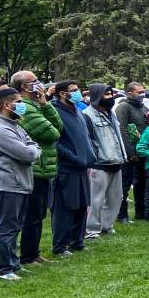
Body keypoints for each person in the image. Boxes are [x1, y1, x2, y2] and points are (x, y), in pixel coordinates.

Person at [0, 87, 41, 280]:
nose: (22, 106)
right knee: (7, 227)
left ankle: (13, 263)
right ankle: (2, 268)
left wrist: (32, 150)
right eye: (18, 102)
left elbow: (32, 145)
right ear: (6, 105)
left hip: (20, 182)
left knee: (16, 225)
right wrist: (33, 151)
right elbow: (27, 153)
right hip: (9, 183)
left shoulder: (14, 125)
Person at [11, 71, 61, 266]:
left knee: (39, 213)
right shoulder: (26, 109)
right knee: (32, 215)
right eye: (35, 81)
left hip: (44, 166)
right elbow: (53, 133)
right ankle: (27, 256)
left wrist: (45, 104)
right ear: (24, 87)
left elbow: (58, 126)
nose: (39, 84)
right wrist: (43, 109)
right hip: (35, 168)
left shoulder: (36, 105)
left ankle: (34, 252)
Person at [51, 81, 93, 257]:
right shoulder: (55, 112)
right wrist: (73, 157)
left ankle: (77, 241)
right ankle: (60, 245)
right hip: (66, 167)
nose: (77, 93)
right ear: (62, 94)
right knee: (65, 207)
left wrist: (91, 155)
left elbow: (86, 137)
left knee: (82, 206)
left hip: (83, 166)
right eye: (73, 91)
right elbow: (55, 141)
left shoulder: (78, 111)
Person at [83, 83, 128, 238]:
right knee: (96, 200)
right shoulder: (87, 114)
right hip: (100, 163)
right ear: (97, 97)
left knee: (116, 198)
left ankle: (107, 226)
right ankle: (91, 229)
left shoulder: (111, 113)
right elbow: (87, 140)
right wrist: (93, 158)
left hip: (116, 160)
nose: (111, 97)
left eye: (111, 94)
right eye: (107, 95)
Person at [114, 81, 148, 224]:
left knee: (142, 183)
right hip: (129, 154)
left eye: (143, 91)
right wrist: (130, 152)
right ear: (130, 93)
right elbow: (122, 130)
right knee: (124, 185)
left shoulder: (143, 108)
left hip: (143, 152)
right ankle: (122, 214)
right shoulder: (123, 107)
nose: (142, 94)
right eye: (139, 92)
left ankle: (141, 212)